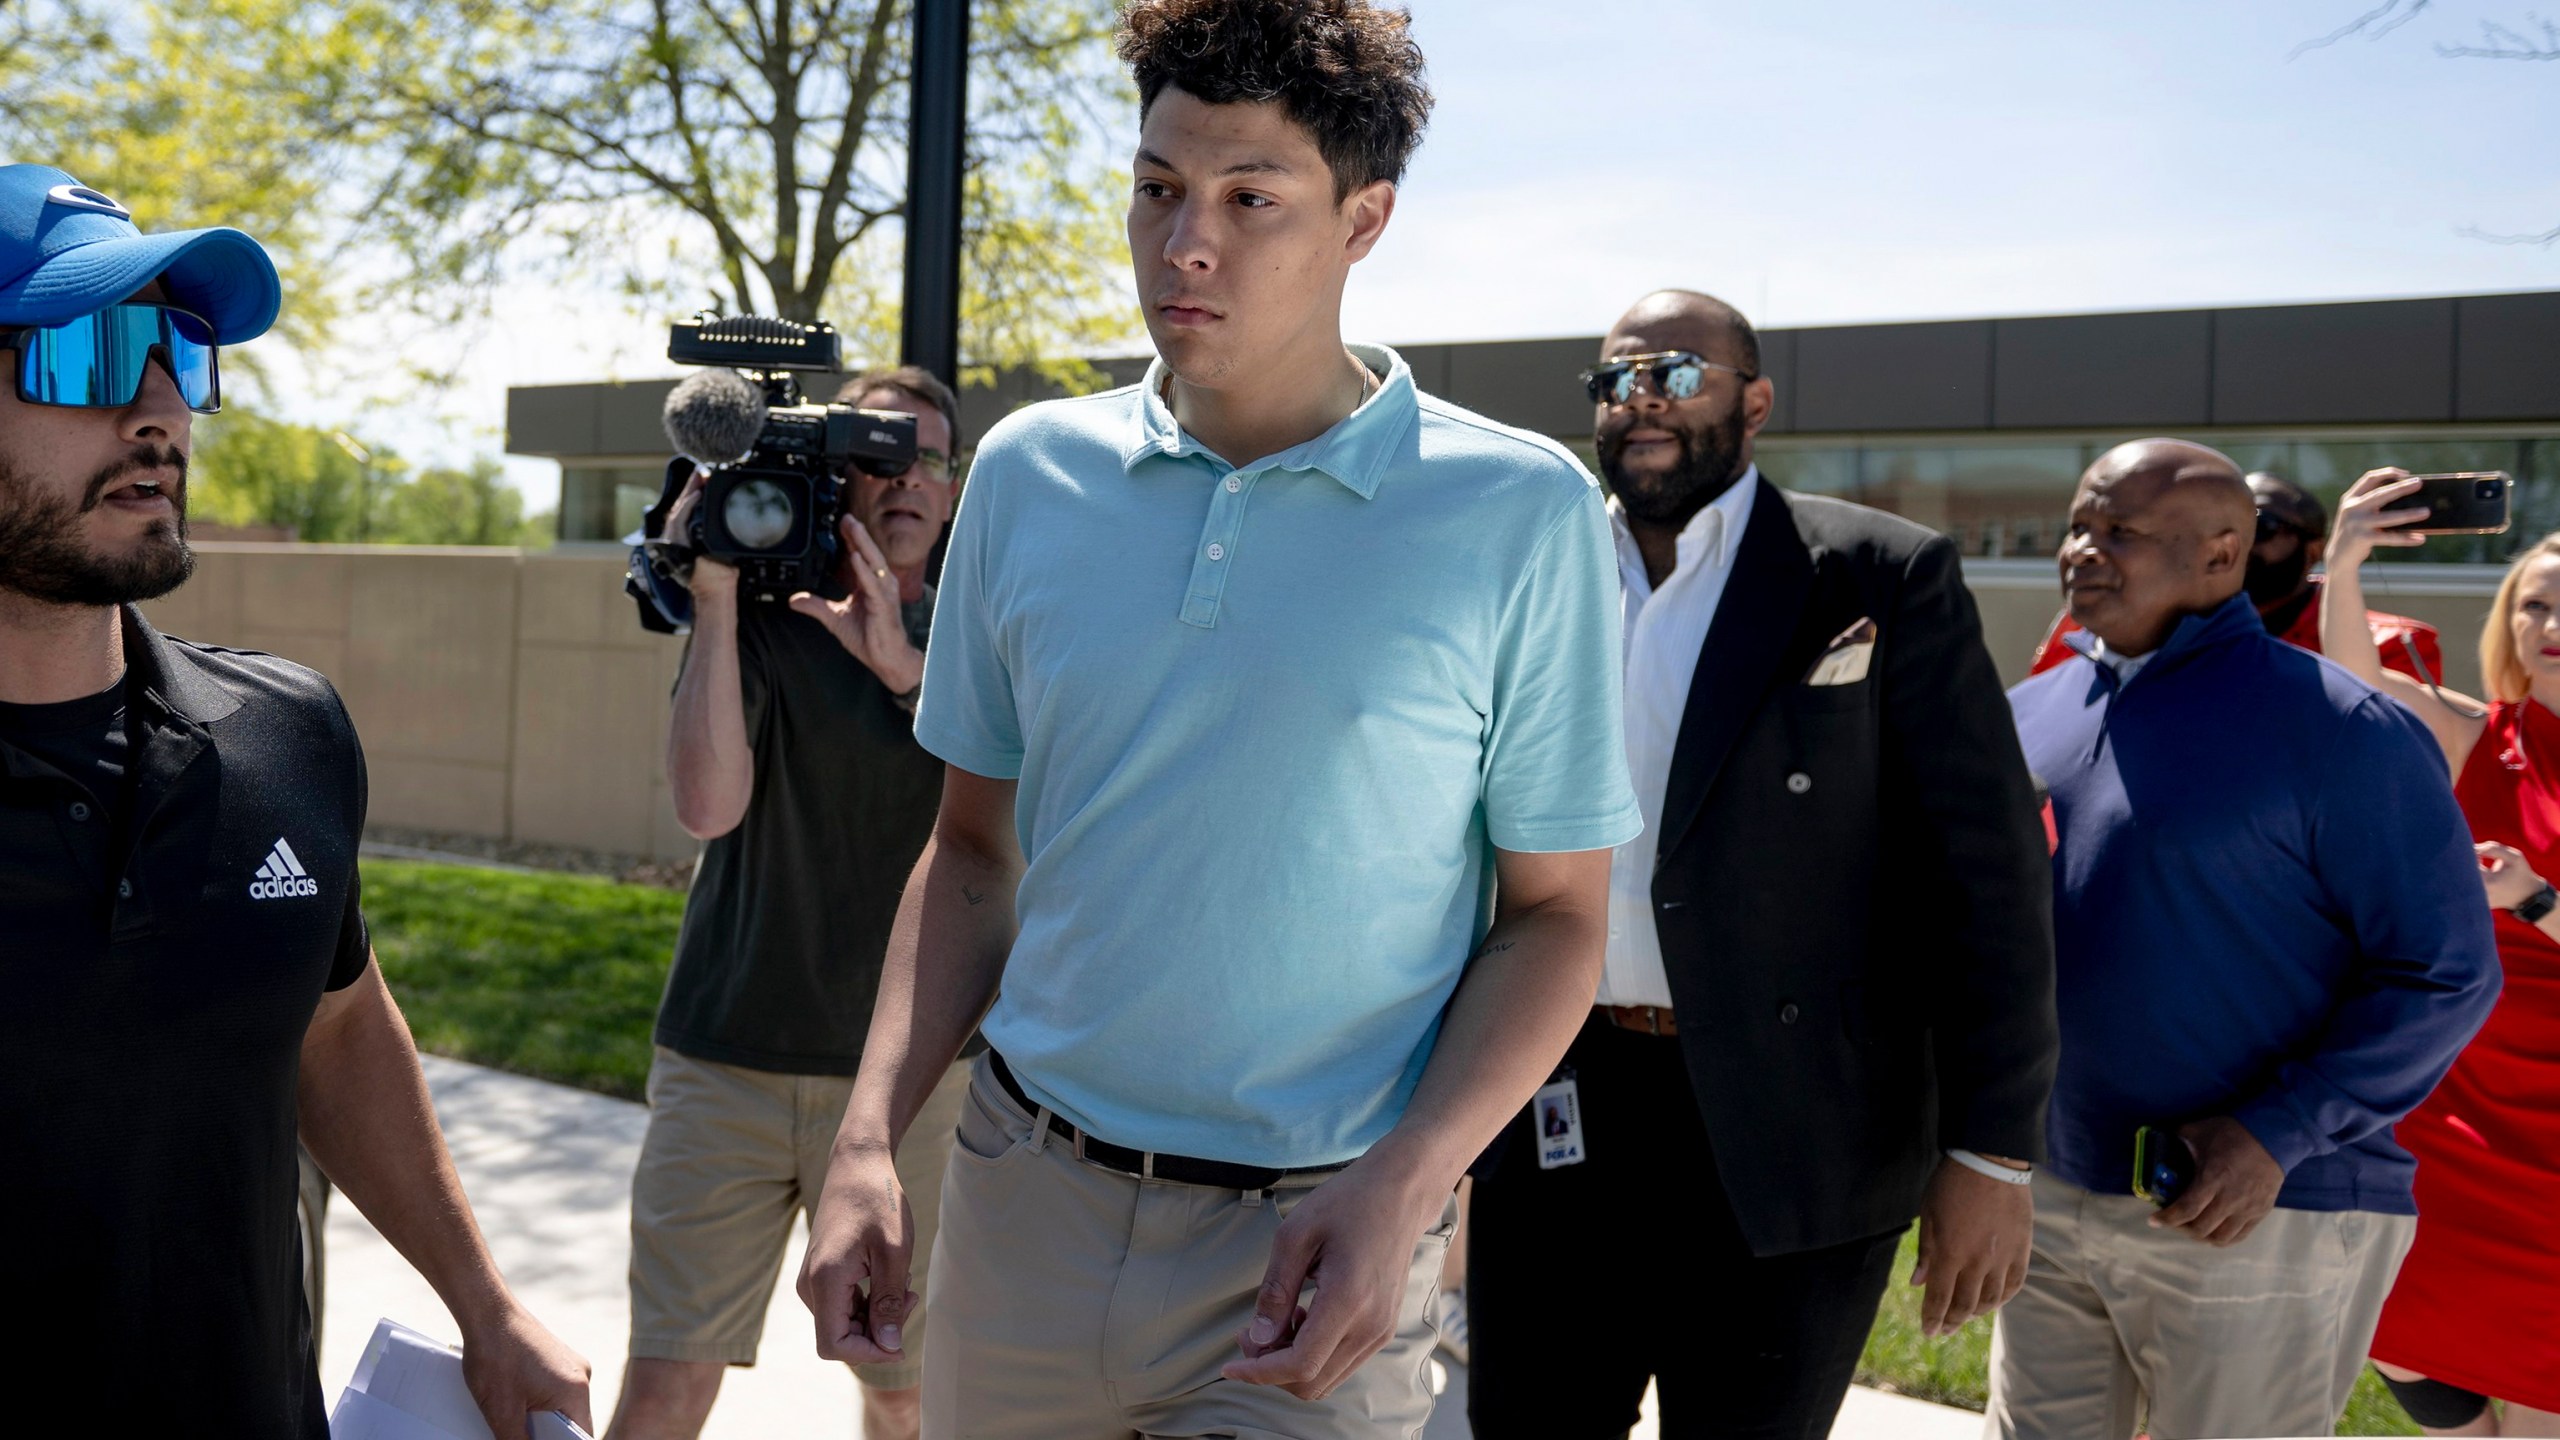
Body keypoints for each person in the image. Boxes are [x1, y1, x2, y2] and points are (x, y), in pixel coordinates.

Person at [796, 2, 1642, 1435]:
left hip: (1318, 1249)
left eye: (1252, 198)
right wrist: (870, 1137)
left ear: (1362, 221)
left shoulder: (1518, 510)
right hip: (1021, 1209)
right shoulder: (1024, 473)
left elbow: (1557, 916)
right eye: (1159, 187)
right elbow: (975, 853)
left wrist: (1412, 1180)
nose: (1187, 241)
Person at [0, 164, 590, 1435]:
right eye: (87, 351)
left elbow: (331, 1023)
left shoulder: (285, 735)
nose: (159, 408)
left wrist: (485, 1305)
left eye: (179, 350)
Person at [1463, 289, 2058, 1440]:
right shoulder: (1526, 574)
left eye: (1677, 373)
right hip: (1556, 1095)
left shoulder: (1879, 574)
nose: (1640, 398)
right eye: (1615, 380)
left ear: (1755, 401)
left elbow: (1984, 879)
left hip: (1800, 1129)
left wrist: (1993, 1152)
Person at [1993, 439, 2502, 1440]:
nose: (2082, 552)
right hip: (2048, 1195)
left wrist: (2279, 1132)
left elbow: (2445, 972)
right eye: (2078, 527)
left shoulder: (2338, 725)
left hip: (2262, 1207)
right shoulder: (2030, 712)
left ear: (2223, 553)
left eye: (2122, 533)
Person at [607, 366, 969, 1440]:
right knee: (666, 1387)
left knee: (904, 1394)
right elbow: (707, 808)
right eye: (871, 455)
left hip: (914, 1087)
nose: (900, 480)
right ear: (832, 481)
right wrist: (713, 602)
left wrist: (909, 675)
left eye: (925, 459)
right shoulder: (763, 628)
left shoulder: (985, 649)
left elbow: (1023, 837)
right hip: (727, 1063)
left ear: (952, 490)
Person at [2324, 469, 2560, 1436]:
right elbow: (2353, 690)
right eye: (2535, 603)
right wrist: (2344, 561)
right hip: (2459, 1098)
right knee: (2400, 1326)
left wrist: (2537, 900)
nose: (2547, 622)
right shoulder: (2479, 736)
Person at [2026, 469, 2442, 680]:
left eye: (2260, 526)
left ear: (2313, 549)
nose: (2235, 543)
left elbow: (2380, 754)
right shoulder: (2133, 618)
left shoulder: (2392, 643)